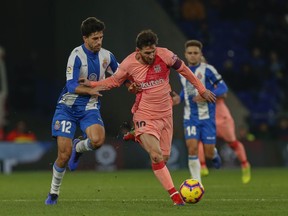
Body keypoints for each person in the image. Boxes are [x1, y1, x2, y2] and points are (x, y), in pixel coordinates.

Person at [79, 29, 216, 205]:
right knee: (156, 156)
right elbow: (114, 81)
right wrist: (92, 84)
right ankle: (175, 196)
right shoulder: (129, 63)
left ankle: (137, 135)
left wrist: (202, 89)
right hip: (144, 114)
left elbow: (186, 71)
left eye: (153, 51)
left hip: (166, 114)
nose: (151, 56)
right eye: (147, 53)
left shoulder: (165, 55)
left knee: (164, 158)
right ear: (138, 51)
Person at [45, 17, 118, 205]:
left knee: (98, 140)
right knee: (63, 155)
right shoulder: (76, 55)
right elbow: (70, 85)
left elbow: (120, 76)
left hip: (89, 107)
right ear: (85, 38)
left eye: (101, 37)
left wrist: (132, 84)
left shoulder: (107, 56)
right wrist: (91, 89)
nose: (99, 42)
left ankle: (79, 147)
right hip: (67, 108)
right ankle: (53, 193)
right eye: (95, 38)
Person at [172, 40, 226, 183]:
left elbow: (223, 88)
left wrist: (206, 94)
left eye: (195, 53)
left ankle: (213, 154)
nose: (193, 56)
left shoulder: (208, 70)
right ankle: (197, 183)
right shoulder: (182, 71)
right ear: (185, 54)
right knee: (192, 149)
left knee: (208, 152)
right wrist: (180, 98)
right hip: (190, 117)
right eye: (190, 53)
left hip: (207, 117)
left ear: (200, 54)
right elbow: (186, 89)